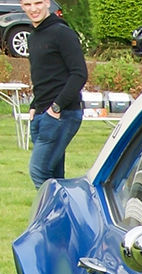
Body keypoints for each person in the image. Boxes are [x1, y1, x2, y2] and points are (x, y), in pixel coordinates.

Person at [22, 0, 86, 188]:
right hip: (42, 114)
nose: (33, 9)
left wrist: (56, 107)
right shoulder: (34, 36)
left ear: (48, 3)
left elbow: (79, 73)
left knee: (39, 171)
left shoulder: (62, 33)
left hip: (62, 114)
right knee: (55, 178)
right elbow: (46, 75)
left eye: (38, 2)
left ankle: (50, 217)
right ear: (21, 6)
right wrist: (34, 105)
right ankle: (64, 217)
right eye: (27, 4)